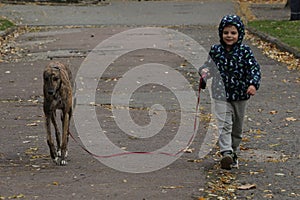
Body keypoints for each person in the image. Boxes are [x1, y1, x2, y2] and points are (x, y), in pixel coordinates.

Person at [199, 15, 261, 170]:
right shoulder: (216, 50)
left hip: (240, 95)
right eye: (226, 32)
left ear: (239, 34)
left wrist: (253, 84)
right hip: (220, 95)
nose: (229, 36)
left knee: (237, 128)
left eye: (233, 33)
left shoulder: (245, 51)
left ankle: (233, 153)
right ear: (221, 33)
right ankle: (226, 152)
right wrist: (204, 73)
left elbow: (254, 69)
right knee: (224, 125)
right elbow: (208, 66)